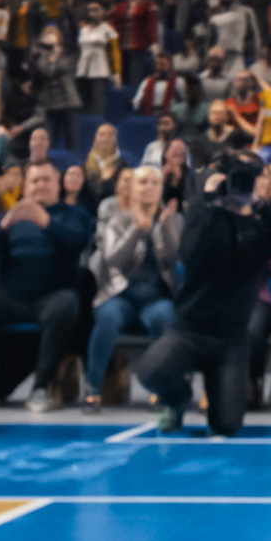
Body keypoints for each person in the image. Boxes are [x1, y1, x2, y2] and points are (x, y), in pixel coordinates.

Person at [134, 160, 271, 436]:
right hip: (190, 332)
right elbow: (192, 253)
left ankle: (215, 398)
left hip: (231, 341)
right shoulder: (201, 218)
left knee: (227, 425)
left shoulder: (256, 229)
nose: (231, 189)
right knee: (150, 372)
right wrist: (210, 201)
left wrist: (257, 204)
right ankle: (177, 400)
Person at [0, 152, 95, 412]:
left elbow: (78, 243)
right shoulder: (9, 218)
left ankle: (41, 388)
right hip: (10, 295)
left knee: (65, 307)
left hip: (53, 294)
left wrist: (46, 222)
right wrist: (3, 227)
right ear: (25, 186)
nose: (40, 185)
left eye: (46, 180)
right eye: (34, 181)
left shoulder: (73, 214)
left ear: (58, 182)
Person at [81, 166, 179, 412]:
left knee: (164, 318)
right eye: (142, 183)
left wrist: (164, 228)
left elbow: (174, 259)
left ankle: (161, 389)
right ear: (132, 189)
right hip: (119, 294)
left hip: (156, 296)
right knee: (107, 318)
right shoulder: (118, 220)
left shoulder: (173, 220)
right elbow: (111, 259)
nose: (148, 188)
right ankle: (93, 388)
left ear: (161, 188)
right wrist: (137, 230)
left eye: (154, 183)